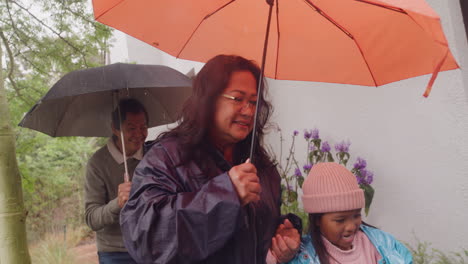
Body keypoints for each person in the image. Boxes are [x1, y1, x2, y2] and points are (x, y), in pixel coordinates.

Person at [120, 55, 300, 264]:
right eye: (237, 99)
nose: (249, 110)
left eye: (253, 101)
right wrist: (227, 194)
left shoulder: (261, 166)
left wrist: (282, 241)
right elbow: (147, 238)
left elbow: (256, 235)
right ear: (208, 99)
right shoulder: (167, 159)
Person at [286, 162, 413, 264]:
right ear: (317, 220)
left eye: (356, 215)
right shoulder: (303, 257)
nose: (351, 226)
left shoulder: (383, 244)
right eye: (340, 220)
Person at [84, 98, 148, 264]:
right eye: (131, 128)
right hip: (115, 252)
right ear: (115, 129)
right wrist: (117, 203)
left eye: (143, 128)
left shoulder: (154, 154)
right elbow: (92, 218)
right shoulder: (97, 163)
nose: (139, 134)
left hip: (150, 245)